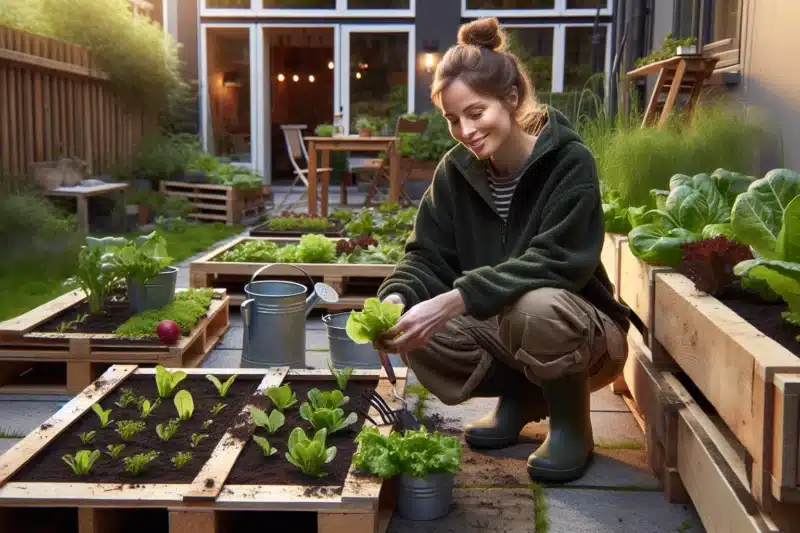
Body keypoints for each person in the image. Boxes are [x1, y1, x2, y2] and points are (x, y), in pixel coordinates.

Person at [374, 16, 631, 483]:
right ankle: (523, 397)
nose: (465, 130)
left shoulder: (569, 162)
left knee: (532, 308)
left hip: (586, 335)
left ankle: (572, 423)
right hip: (511, 327)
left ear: (511, 99)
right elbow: (426, 255)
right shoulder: (456, 172)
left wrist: (453, 299)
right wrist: (397, 299)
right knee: (421, 333)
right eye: (453, 119)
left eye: (476, 113)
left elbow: (555, 262)